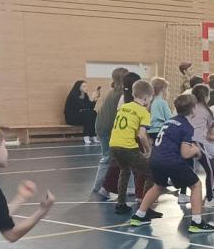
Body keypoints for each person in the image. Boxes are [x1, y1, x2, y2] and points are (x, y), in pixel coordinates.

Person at [127, 94, 214, 234]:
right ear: (193, 110)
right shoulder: (187, 126)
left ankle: (139, 215)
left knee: (158, 186)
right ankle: (197, 222)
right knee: (196, 185)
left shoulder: (169, 122)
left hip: (155, 159)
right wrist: (195, 150)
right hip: (171, 160)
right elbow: (185, 153)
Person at [109, 79, 154, 215]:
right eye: (150, 98)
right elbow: (141, 135)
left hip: (114, 144)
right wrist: (148, 150)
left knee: (125, 170)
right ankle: (145, 207)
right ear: (146, 97)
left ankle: (121, 203)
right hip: (127, 146)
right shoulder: (143, 112)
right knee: (151, 172)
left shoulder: (124, 107)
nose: (150, 101)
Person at [91, 67, 127, 198]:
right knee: (111, 158)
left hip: (101, 126)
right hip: (109, 128)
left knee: (107, 157)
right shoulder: (122, 94)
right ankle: (102, 186)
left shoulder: (112, 92)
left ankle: (99, 186)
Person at [63, 79, 98, 144]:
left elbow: (90, 107)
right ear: (78, 87)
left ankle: (93, 135)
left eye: (86, 86)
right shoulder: (73, 95)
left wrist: (94, 100)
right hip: (71, 117)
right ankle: (86, 135)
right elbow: (82, 106)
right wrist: (92, 98)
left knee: (93, 113)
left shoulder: (85, 95)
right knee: (87, 114)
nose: (86, 88)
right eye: (84, 86)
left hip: (81, 116)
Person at [147, 78, 173, 148]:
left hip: (150, 131)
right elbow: (169, 118)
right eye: (167, 89)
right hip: (160, 130)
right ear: (163, 89)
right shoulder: (162, 102)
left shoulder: (151, 102)